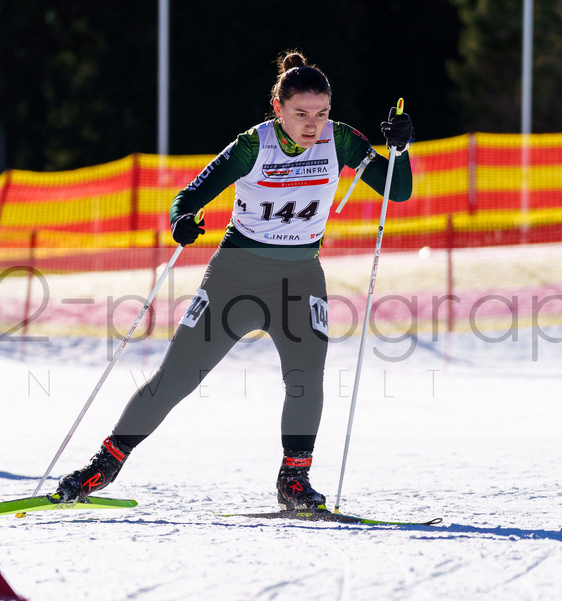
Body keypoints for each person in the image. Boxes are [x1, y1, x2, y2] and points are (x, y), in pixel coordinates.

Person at [54, 50, 414, 510]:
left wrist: (400, 150)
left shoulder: (340, 140)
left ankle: (294, 480)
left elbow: (396, 191)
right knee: (177, 378)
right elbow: (188, 197)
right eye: (301, 114)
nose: (312, 125)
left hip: (299, 277)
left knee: (306, 379)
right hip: (235, 276)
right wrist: (182, 220)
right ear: (278, 110)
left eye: (322, 113)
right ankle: (102, 467)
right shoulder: (252, 145)